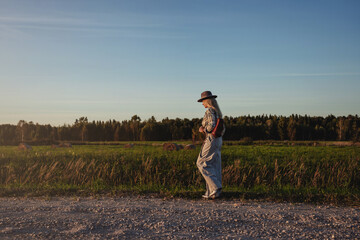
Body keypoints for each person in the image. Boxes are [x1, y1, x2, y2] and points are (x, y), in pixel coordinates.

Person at [196, 91, 225, 199]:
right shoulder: (218, 112)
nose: (202, 103)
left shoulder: (209, 111)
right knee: (214, 164)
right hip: (218, 139)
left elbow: (211, 125)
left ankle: (215, 186)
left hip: (211, 139)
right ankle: (212, 193)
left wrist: (203, 129)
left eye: (203, 101)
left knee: (201, 162)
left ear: (207, 101)